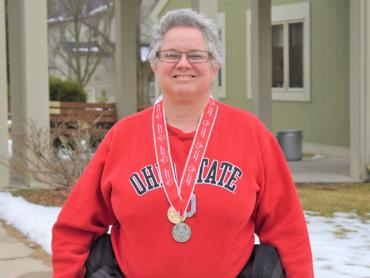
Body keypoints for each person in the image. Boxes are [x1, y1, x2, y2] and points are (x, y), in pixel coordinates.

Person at [52, 8, 314, 278]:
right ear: (155, 64)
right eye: (171, 55)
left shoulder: (251, 135)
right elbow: (74, 228)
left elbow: (288, 232)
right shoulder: (123, 136)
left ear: (216, 66)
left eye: (197, 55)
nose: (183, 64)